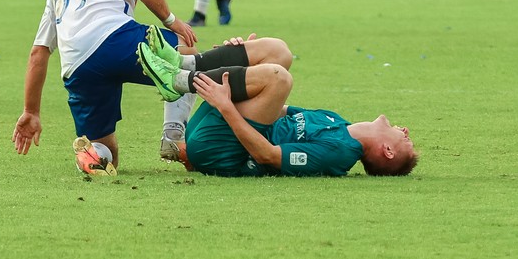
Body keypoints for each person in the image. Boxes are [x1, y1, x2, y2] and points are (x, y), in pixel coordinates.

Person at [12, 0, 198, 177]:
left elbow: (38, 53)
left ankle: (92, 155)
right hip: (115, 39)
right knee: (186, 49)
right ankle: (173, 135)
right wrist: (171, 21)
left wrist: (31, 111)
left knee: (106, 151)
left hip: (77, 66)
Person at [136, 31, 418, 178]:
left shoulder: (339, 154)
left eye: (406, 140)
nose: (405, 130)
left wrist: (227, 106)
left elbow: (268, 156)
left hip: (221, 150)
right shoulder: (339, 123)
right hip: (223, 130)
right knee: (278, 53)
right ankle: (185, 64)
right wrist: (244, 66)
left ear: (388, 151)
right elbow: (276, 109)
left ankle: (178, 82)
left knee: (280, 79)